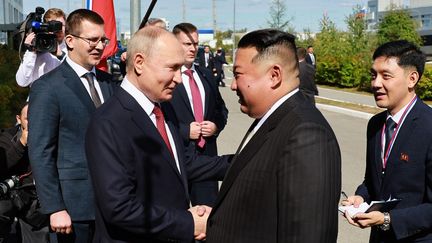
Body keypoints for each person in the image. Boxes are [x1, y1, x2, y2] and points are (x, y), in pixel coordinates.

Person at [85, 26, 231, 243]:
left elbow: (181, 165)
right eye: (172, 68)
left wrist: (239, 163)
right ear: (139, 63)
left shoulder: (162, 108)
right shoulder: (109, 122)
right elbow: (119, 208)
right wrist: (188, 223)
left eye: (180, 69)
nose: (179, 79)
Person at [205, 29, 341, 243]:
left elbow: (308, 235)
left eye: (238, 75)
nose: (232, 85)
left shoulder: (307, 135)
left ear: (274, 75)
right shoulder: (271, 117)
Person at [28, 9, 116, 243]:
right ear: (70, 40)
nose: (99, 46)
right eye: (92, 40)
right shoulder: (48, 87)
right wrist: (54, 207)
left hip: (113, 205)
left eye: (102, 40)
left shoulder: (110, 84)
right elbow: (40, 151)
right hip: (73, 210)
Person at [341, 40, 432, 242]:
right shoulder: (375, 125)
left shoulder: (428, 127)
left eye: (386, 76)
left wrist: (387, 219)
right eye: (374, 75)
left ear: (412, 79)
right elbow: (373, 181)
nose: (375, 83)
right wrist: (361, 197)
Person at [171, 23, 228, 207]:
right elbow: (155, 117)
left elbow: (221, 109)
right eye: (187, 44)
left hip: (206, 158)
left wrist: (216, 126)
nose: (193, 48)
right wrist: (184, 131)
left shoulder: (205, 75)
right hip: (177, 159)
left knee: (206, 219)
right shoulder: (165, 77)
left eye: (195, 43)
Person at [0, 103, 49, 243]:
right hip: (11, 194)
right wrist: (21, 143)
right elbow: (3, 165)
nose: (32, 122)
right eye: (28, 118)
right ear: (19, 119)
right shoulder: (7, 136)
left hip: (36, 200)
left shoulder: (50, 136)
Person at [16, 8, 67, 88]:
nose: (58, 30)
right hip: (38, 97)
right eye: (53, 25)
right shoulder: (37, 47)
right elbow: (22, 82)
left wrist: (61, 55)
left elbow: (77, 76)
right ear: (44, 26)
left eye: (61, 25)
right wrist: (31, 52)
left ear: (66, 26)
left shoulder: (71, 48)